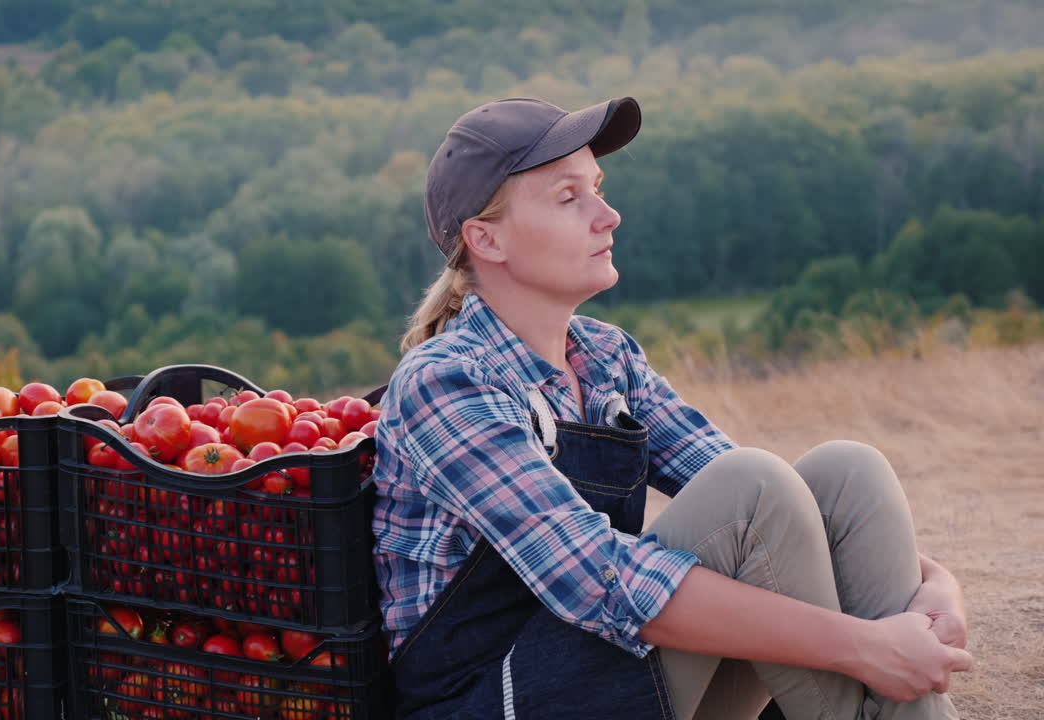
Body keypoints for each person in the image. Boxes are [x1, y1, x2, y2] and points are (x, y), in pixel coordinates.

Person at [369, 95, 973, 720]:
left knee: (849, 475)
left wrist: (935, 588)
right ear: (485, 238)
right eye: (569, 197)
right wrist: (864, 647)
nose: (609, 215)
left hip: (611, 677)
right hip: (497, 702)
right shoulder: (445, 382)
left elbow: (784, 521)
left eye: (598, 188)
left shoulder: (604, 357)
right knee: (753, 485)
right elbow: (598, 578)